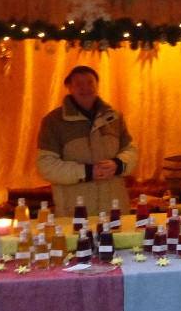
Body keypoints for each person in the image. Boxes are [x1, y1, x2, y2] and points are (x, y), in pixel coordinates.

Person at [36, 65, 139, 217]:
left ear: (97, 85)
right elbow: (46, 165)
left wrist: (117, 165)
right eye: (78, 83)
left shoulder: (115, 117)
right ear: (69, 87)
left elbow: (131, 150)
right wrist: (86, 172)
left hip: (114, 211)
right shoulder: (53, 122)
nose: (85, 88)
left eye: (90, 82)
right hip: (75, 212)